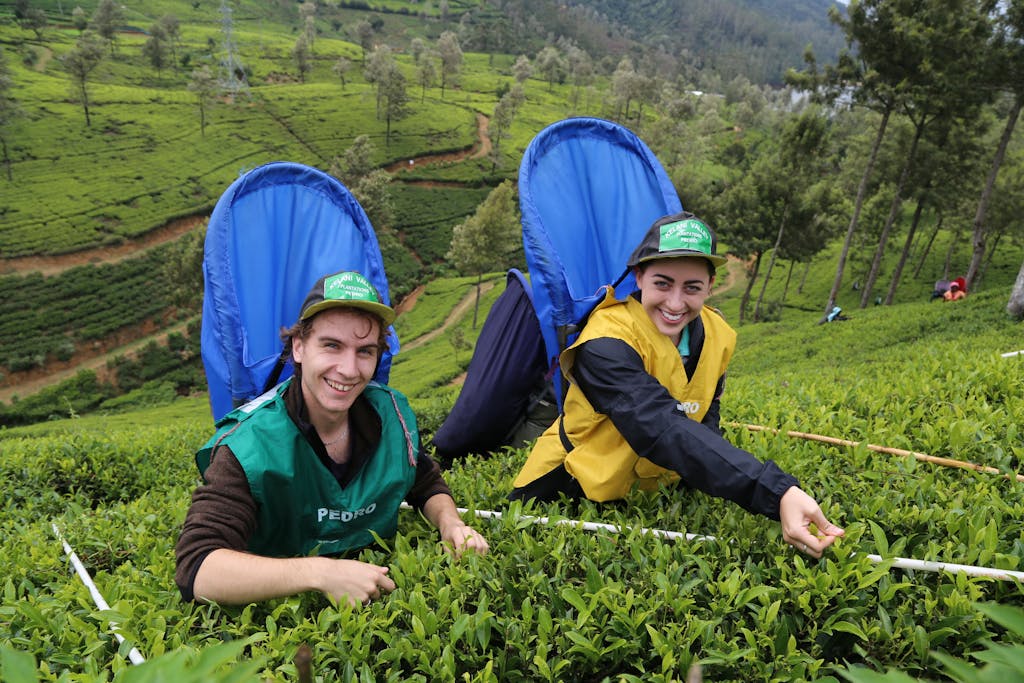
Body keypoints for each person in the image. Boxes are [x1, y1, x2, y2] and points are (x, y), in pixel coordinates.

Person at [509, 212, 844, 558]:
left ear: (711, 287)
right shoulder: (605, 342)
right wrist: (776, 492)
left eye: (692, 288)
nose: (674, 303)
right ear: (639, 277)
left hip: (656, 491)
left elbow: (704, 419)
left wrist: (710, 477)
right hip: (570, 490)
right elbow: (659, 425)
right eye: (663, 283)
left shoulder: (718, 335)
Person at [176, 270, 488, 606]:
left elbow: (424, 480)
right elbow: (197, 569)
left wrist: (451, 523)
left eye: (365, 351)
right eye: (332, 346)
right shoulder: (250, 444)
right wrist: (320, 573)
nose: (349, 369)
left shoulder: (392, 414)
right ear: (299, 347)